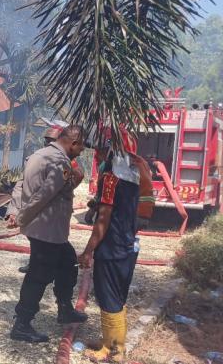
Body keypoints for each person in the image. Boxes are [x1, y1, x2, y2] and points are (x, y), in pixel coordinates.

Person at [79, 130, 152, 363]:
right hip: (127, 247)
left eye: (102, 150)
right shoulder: (133, 177)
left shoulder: (111, 179)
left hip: (111, 248)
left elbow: (103, 219)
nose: (98, 154)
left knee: (108, 297)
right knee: (117, 298)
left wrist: (89, 249)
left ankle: (112, 352)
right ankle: (113, 344)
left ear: (112, 151)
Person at [9, 126, 88, 343]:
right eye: (81, 146)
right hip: (46, 230)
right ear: (73, 142)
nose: (81, 151)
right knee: (38, 277)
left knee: (69, 262)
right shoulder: (59, 162)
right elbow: (44, 195)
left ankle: (65, 309)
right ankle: (22, 324)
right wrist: (22, 217)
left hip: (51, 231)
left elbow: (25, 186)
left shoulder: (38, 155)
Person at [6, 126, 84, 273]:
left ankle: (62, 294)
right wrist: (16, 214)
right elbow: (37, 192)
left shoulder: (57, 159)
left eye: (52, 140)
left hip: (44, 225)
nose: (50, 144)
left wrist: (18, 214)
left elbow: (60, 190)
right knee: (42, 273)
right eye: (47, 141)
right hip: (46, 226)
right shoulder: (57, 160)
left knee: (66, 263)